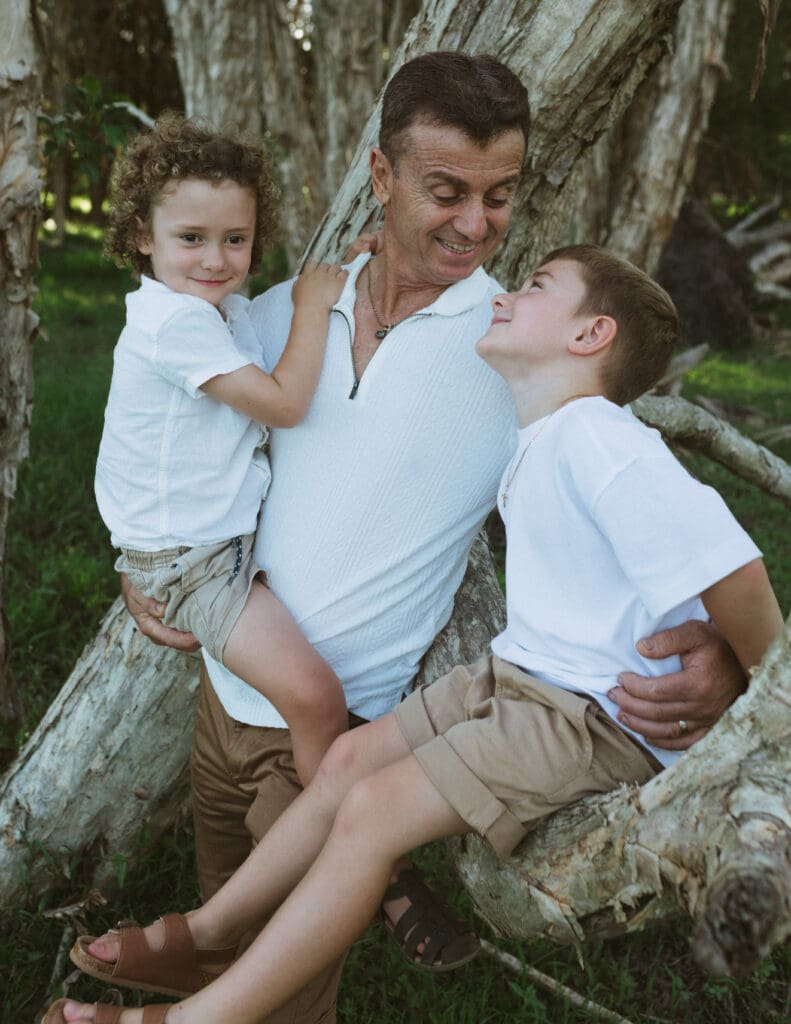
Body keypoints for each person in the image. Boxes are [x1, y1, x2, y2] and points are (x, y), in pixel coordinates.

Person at [71, 54, 746, 1024]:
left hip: (334, 741)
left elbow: (642, 509)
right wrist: (142, 572)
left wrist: (724, 655)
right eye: (444, 191)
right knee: (218, 952)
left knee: (284, 1001)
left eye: (497, 196)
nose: (473, 225)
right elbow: (171, 450)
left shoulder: (516, 355)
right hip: (219, 701)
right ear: (382, 178)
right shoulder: (271, 315)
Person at [94, 114, 349, 786]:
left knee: (310, 696)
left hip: (202, 548)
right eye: (191, 238)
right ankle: (334, 844)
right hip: (192, 563)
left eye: (235, 239)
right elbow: (286, 404)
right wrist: (315, 305)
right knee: (318, 700)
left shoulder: (220, 312)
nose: (215, 259)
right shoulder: (174, 323)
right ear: (143, 237)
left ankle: (308, 829)